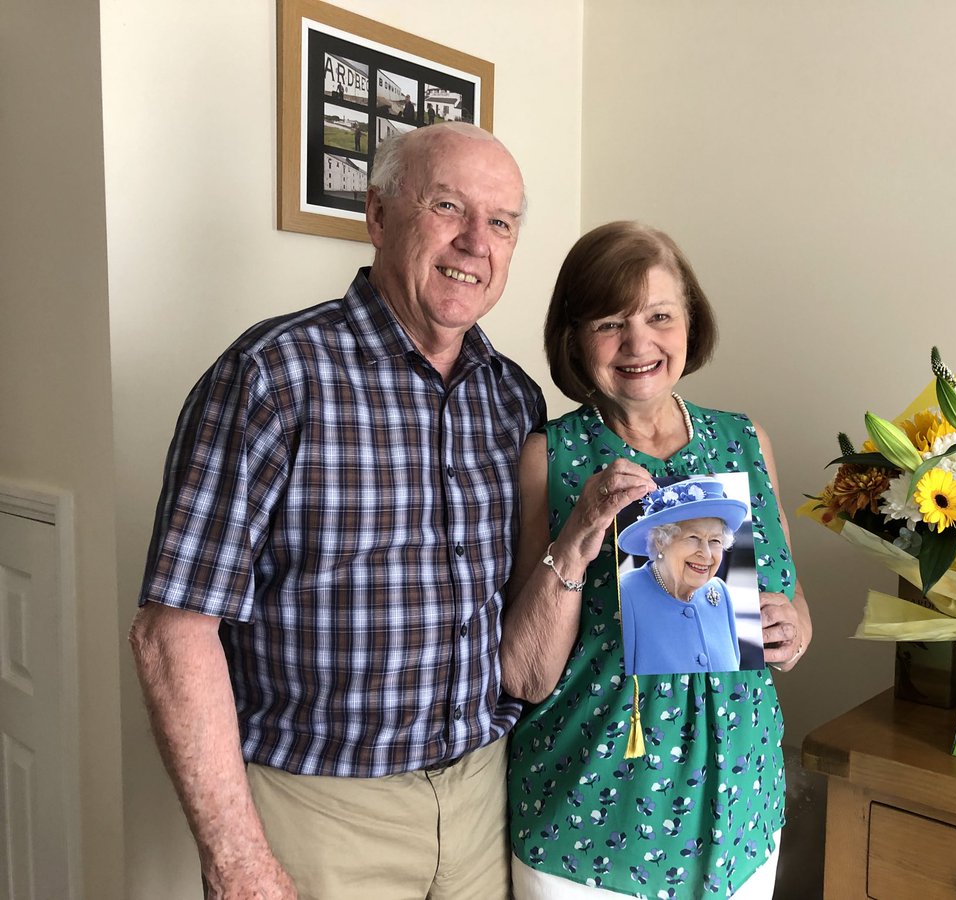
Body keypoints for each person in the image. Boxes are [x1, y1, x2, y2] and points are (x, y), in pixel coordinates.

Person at [128, 122, 544, 900]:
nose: (474, 242)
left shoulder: (514, 398)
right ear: (379, 215)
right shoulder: (271, 377)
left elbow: (531, 612)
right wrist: (237, 857)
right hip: (318, 813)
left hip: (487, 799)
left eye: (500, 222)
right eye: (448, 206)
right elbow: (172, 630)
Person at [501, 221, 812, 898]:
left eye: (659, 316)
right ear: (576, 340)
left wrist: (793, 631)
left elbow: (787, 606)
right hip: (594, 819)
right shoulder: (548, 459)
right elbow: (525, 675)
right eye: (610, 322)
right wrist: (579, 535)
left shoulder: (745, 442)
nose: (639, 342)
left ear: (689, 324)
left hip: (739, 810)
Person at [616, 477, 749, 675]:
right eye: (693, 538)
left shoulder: (719, 591)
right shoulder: (625, 594)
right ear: (661, 541)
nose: (706, 553)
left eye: (715, 541)